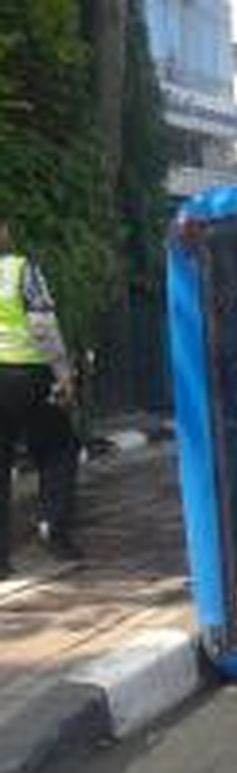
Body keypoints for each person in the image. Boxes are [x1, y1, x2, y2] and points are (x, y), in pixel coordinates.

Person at [0, 219, 81, 578]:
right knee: (60, 447)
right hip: (29, 375)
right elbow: (43, 326)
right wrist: (63, 374)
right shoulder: (21, 270)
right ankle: (52, 524)